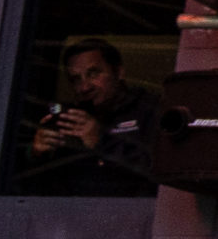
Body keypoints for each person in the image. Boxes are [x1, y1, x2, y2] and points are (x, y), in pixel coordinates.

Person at [25, 38, 160, 194]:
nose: (84, 87)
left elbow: (162, 174)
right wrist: (36, 153)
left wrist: (102, 142)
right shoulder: (71, 119)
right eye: (76, 79)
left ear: (119, 72)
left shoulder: (151, 110)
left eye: (93, 74)